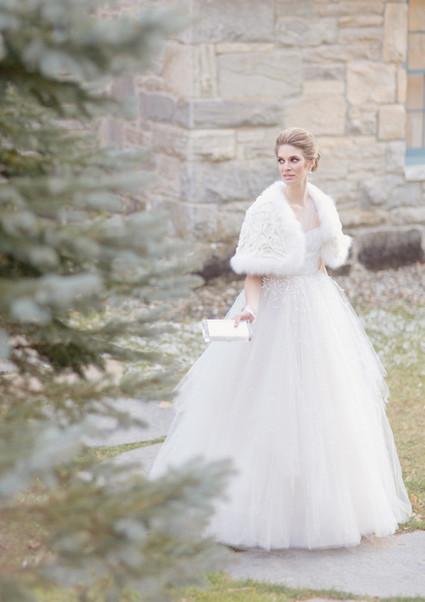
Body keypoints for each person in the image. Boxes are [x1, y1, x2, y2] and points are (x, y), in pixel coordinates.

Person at [150, 127, 411, 550]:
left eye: (294, 159)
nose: (286, 167)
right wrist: (251, 309)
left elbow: (321, 265)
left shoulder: (323, 206)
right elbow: (254, 274)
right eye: (281, 160)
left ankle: (318, 506)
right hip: (273, 308)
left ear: (311, 163)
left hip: (316, 308)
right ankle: (250, 504)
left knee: (323, 406)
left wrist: (332, 311)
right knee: (265, 406)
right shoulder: (265, 210)